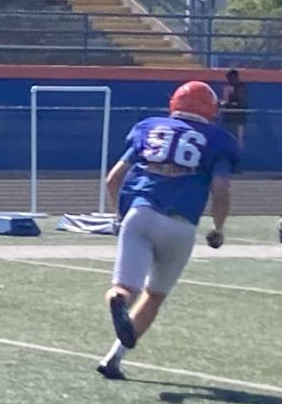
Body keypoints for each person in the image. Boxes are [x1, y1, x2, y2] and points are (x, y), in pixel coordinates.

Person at [97, 80, 239, 381]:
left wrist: (119, 215)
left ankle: (117, 299)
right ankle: (113, 358)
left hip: (141, 214)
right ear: (211, 109)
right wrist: (218, 227)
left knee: (125, 288)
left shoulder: (148, 128)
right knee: (154, 295)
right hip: (181, 225)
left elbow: (113, 179)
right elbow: (221, 189)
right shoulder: (219, 140)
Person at [220, 69, 247, 150]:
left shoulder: (241, 86)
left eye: (231, 77)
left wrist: (231, 103)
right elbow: (225, 100)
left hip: (239, 114)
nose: (230, 79)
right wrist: (223, 103)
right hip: (228, 114)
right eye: (228, 78)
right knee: (227, 133)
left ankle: (239, 149)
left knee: (239, 136)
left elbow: (241, 101)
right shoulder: (227, 86)